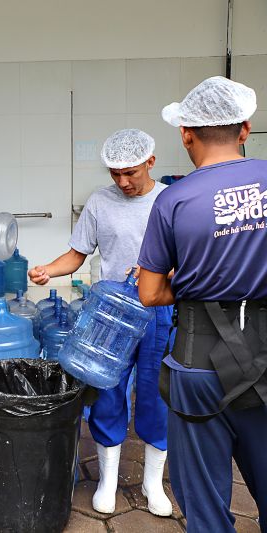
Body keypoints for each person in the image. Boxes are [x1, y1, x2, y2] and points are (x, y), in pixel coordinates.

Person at [138, 76, 267, 533]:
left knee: (205, 504)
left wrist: (194, 283)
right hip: (265, 356)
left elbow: (149, 293)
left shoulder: (173, 200)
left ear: (186, 134)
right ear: (245, 129)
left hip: (199, 361)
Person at [28, 129, 173, 516]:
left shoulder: (169, 201)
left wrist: (163, 271)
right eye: (115, 174)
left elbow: (187, 260)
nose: (123, 182)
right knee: (107, 390)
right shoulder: (99, 202)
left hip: (158, 307)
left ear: (150, 162)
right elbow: (77, 254)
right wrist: (48, 269)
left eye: (131, 173)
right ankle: (108, 481)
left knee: (157, 393)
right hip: (110, 312)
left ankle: (152, 484)